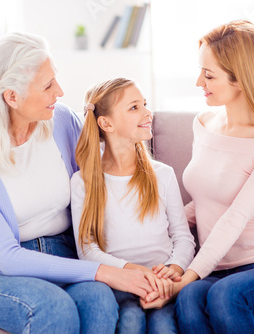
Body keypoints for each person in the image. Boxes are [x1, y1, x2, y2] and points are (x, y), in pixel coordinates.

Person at [0, 33, 154, 334]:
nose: (60, 91)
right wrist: (105, 271)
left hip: (62, 253)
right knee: (54, 308)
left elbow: (104, 180)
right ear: (12, 97)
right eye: (47, 86)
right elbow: (7, 258)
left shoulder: (62, 121)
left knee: (100, 301)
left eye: (56, 80)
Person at [148, 20, 254, 332]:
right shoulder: (204, 123)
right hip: (219, 268)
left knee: (223, 296)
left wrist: (191, 273)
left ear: (241, 81)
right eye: (201, 71)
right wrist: (161, 243)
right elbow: (203, 203)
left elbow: (234, 216)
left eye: (209, 75)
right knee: (188, 300)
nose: (199, 82)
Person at [70, 78, 196, 334]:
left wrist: (173, 270)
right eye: (134, 107)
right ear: (106, 123)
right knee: (130, 323)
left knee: (164, 328)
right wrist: (135, 273)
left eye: (145, 104)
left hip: (162, 284)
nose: (147, 112)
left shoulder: (163, 174)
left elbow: (183, 237)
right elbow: (87, 250)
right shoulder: (83, 181)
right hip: (119, 284)